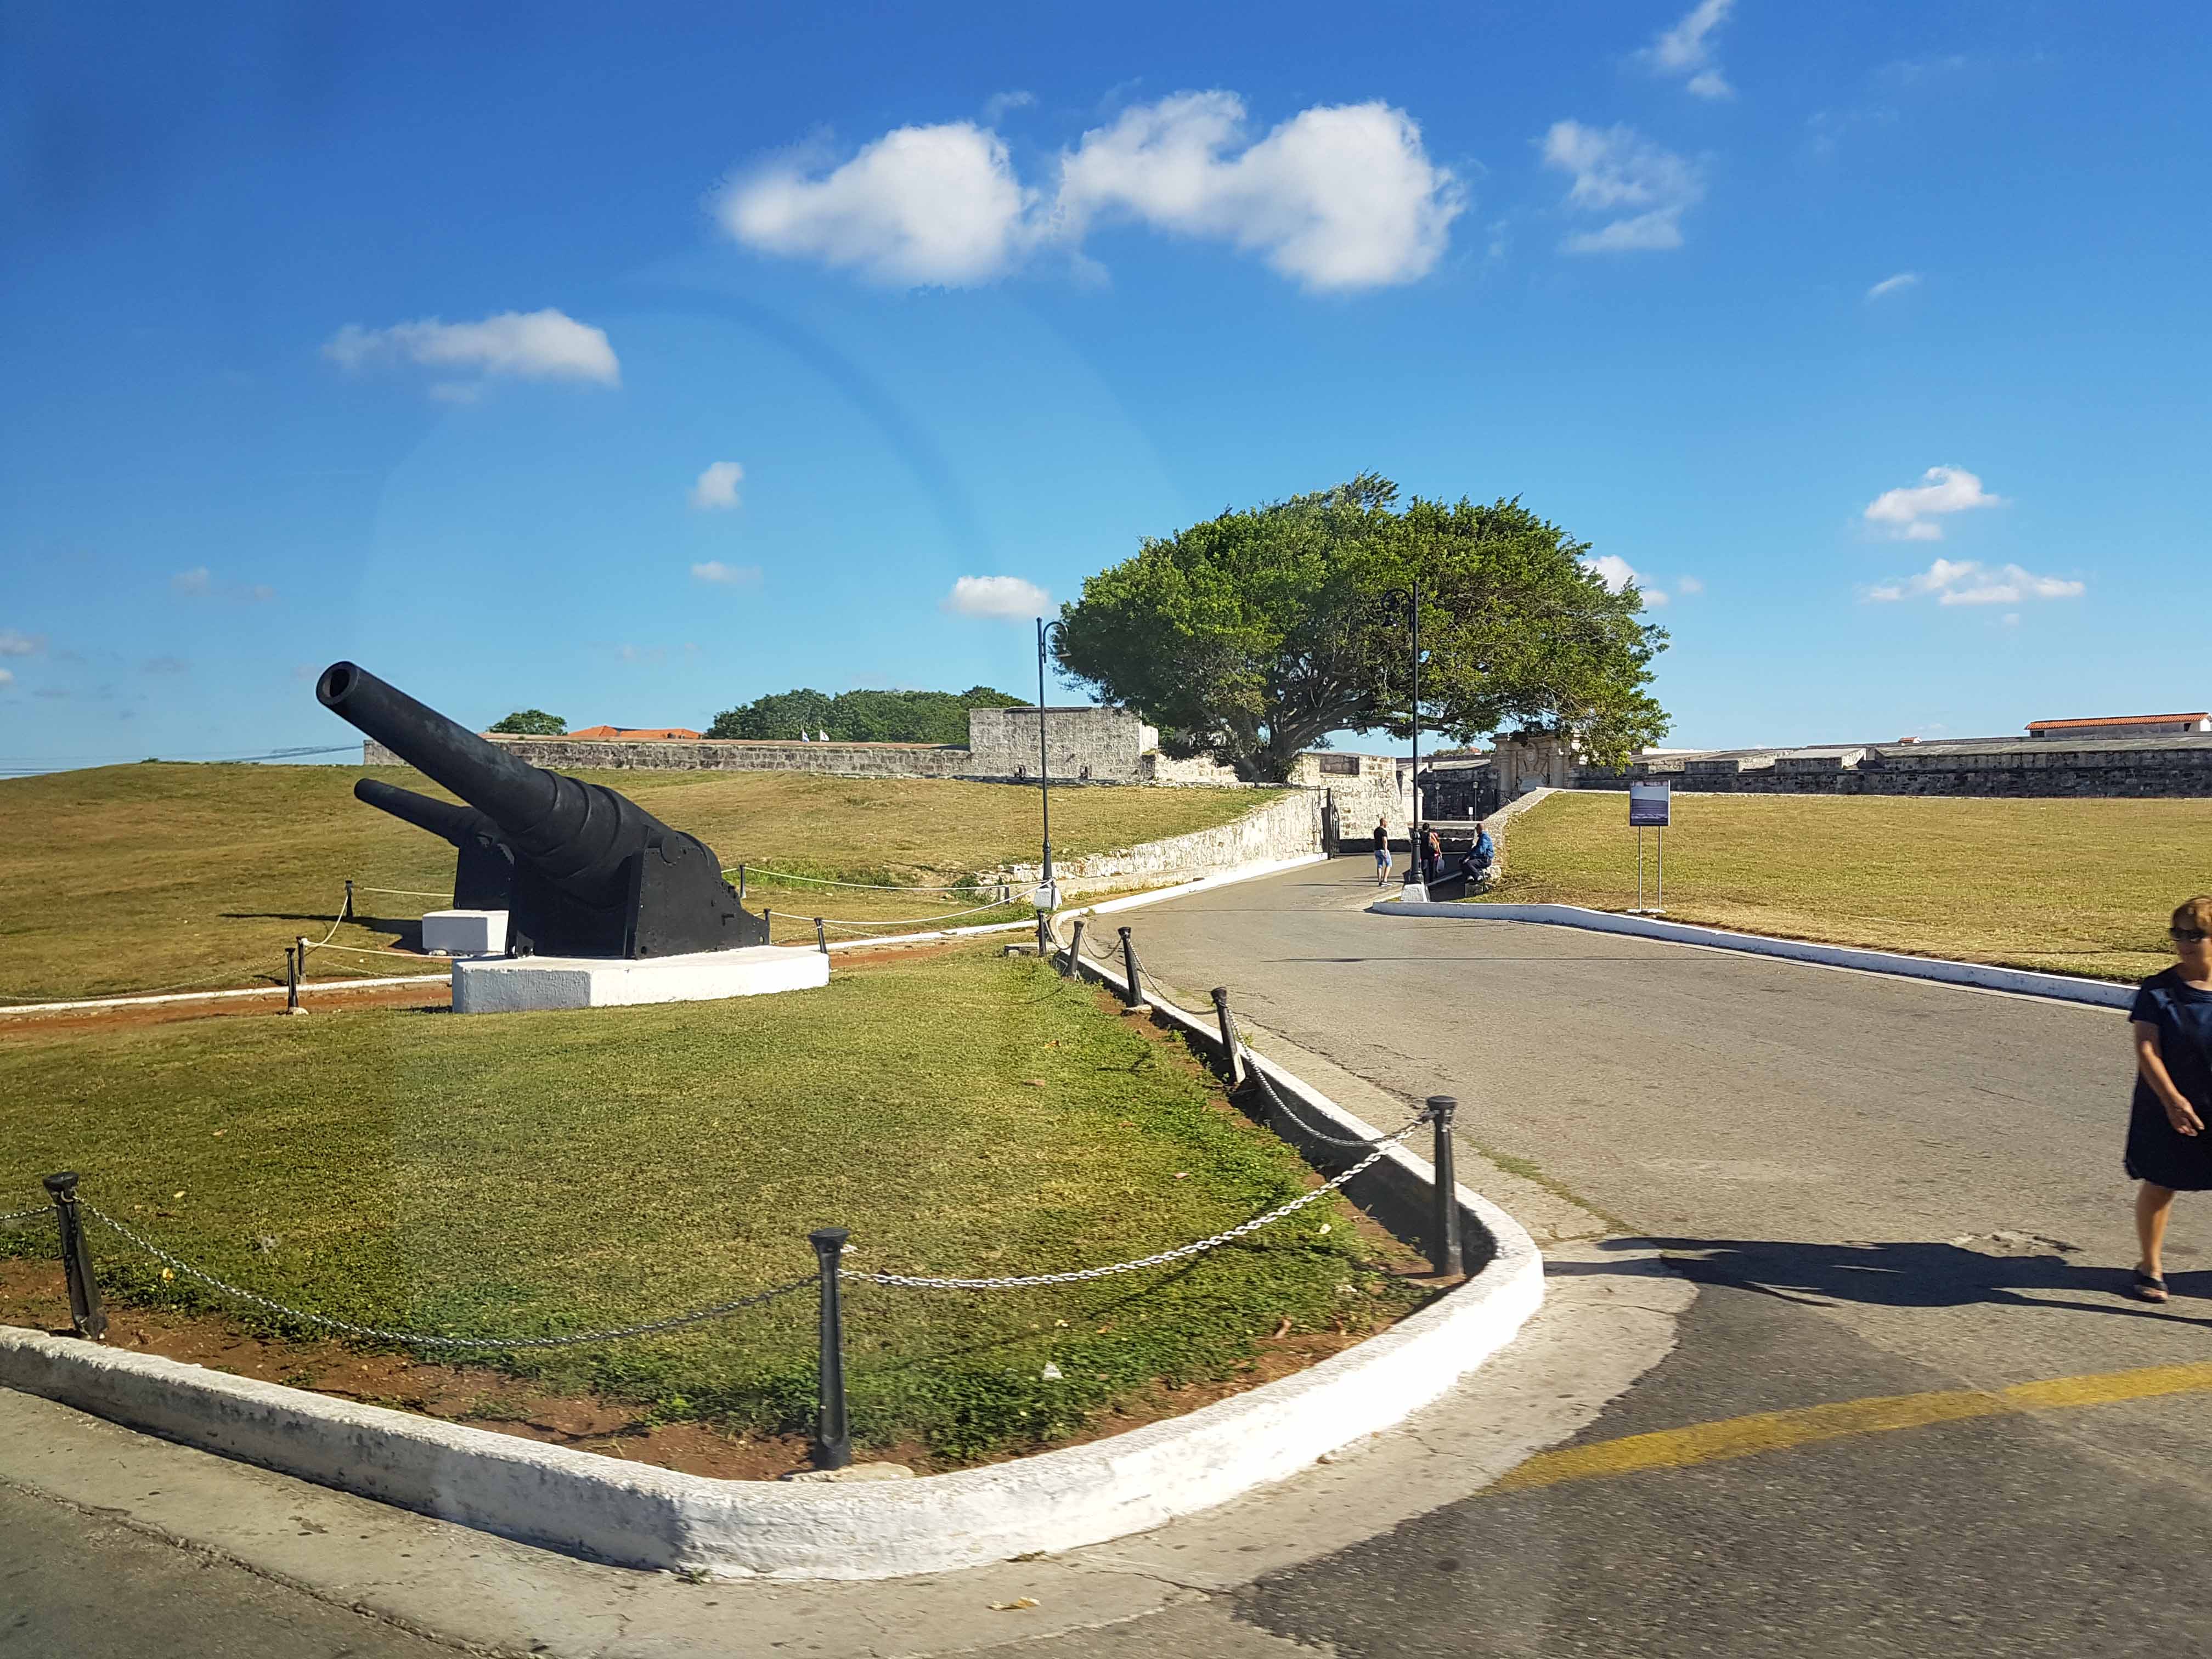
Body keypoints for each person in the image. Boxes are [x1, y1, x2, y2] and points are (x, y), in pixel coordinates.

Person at [2123, 895, 2212, 1302]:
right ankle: (2151, 1266)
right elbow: (2147, 1049)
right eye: (2178, 934)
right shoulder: (2159, 990)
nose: (2184, 943)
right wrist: (2173, 1100)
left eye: (2196, 935)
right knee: (2161, 1185)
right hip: (2168, 1103)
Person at [1371, 817, 1392, 886]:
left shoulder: (1376, 831)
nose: (1387, 824)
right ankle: (1385, 880)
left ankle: (1380, 881)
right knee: (1389, 864)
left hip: (1376, 850)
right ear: (1383, 822)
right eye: (1386, 822)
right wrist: (1386, 851)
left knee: (1379, 865)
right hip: (1382, 850)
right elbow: (1385, 841)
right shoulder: (1383, 831)